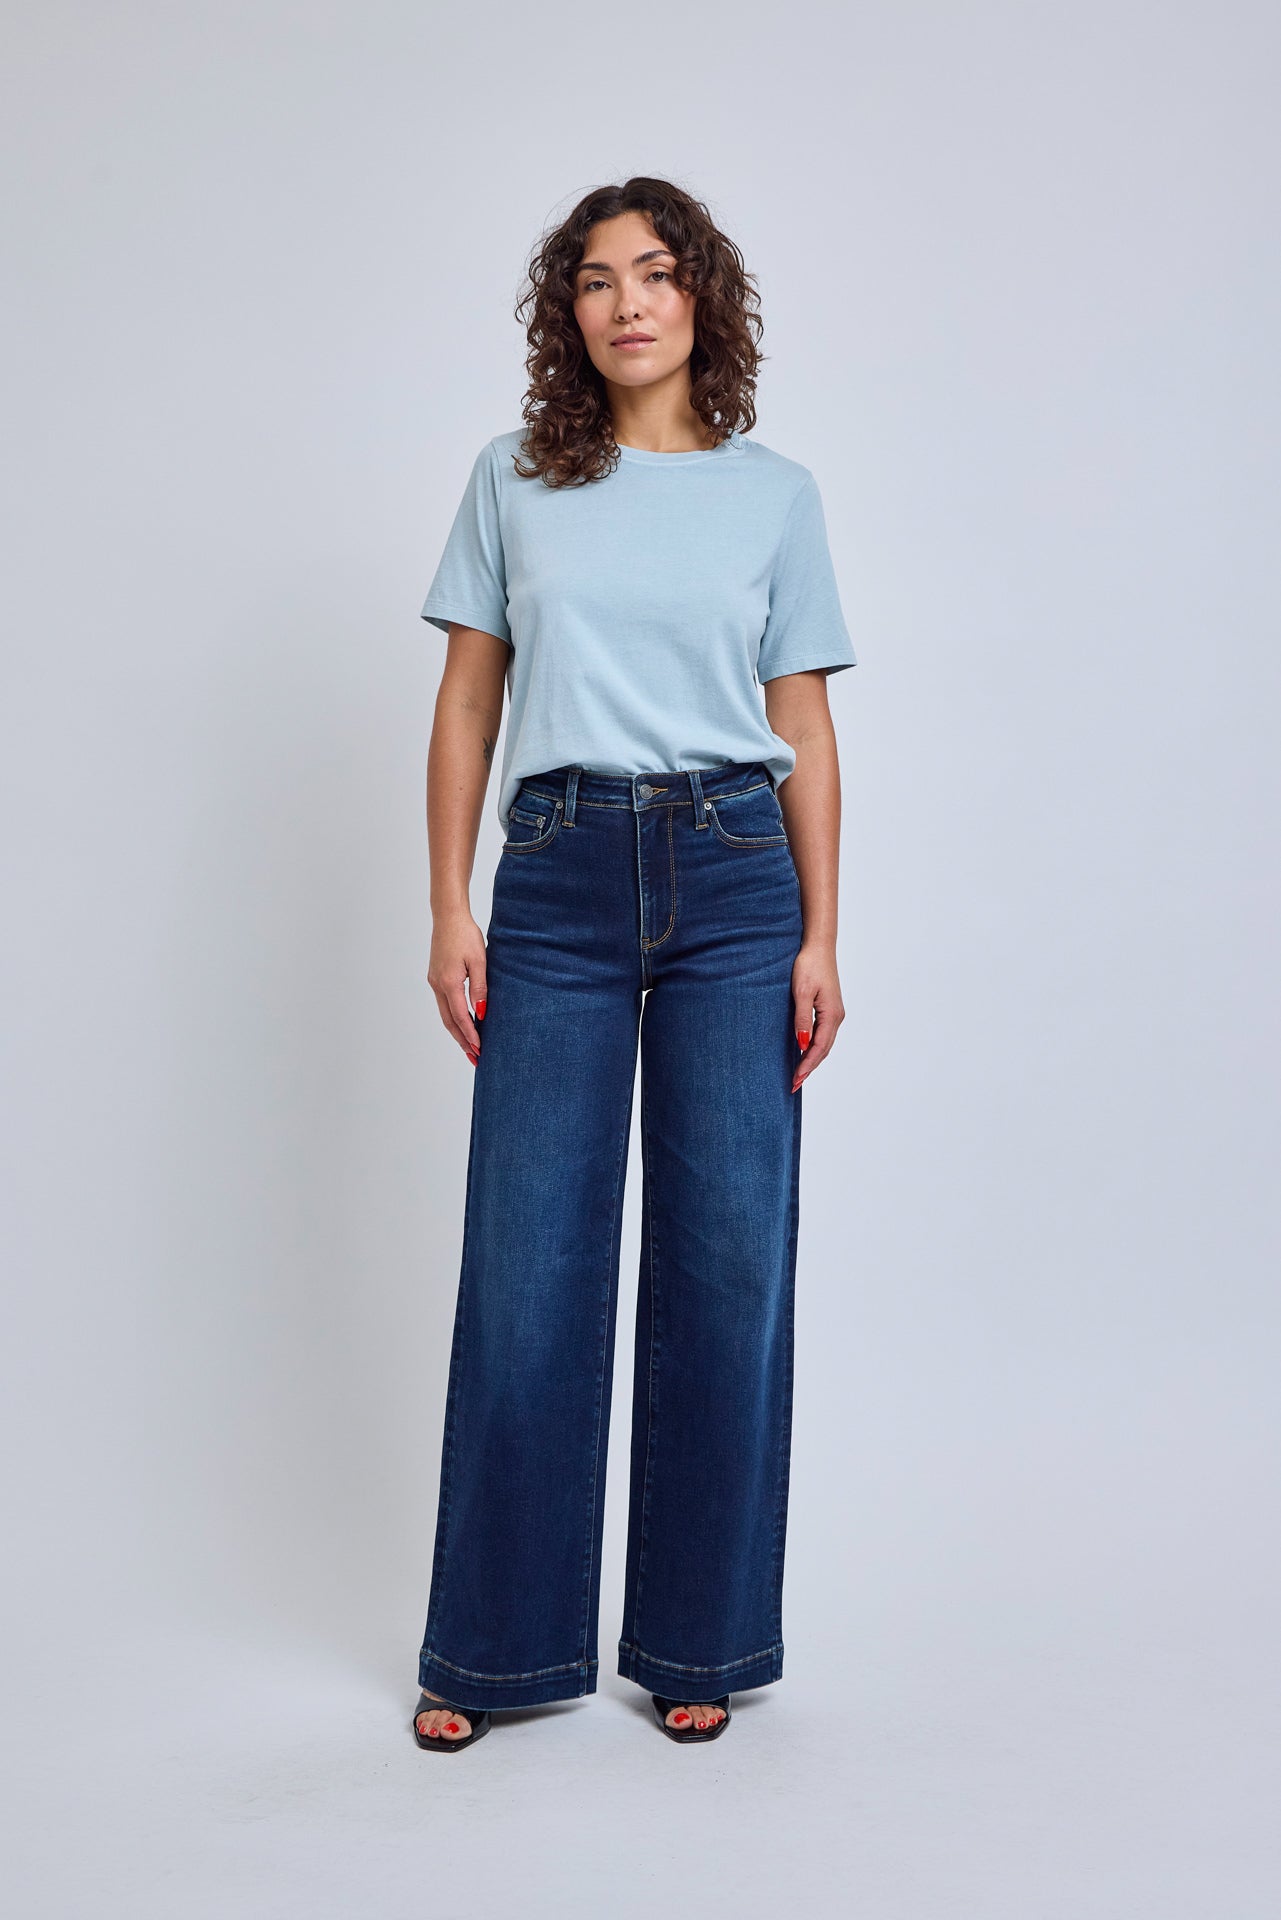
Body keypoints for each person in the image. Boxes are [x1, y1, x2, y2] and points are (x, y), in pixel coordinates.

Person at [412, 176, 856, 1753]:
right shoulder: (513, 481)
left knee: (728, 1263)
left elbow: (798, 722)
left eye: (654, 274)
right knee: (530, 1262)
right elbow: (469, 700)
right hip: (557, 876)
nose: (625, 303)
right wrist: (452, 908)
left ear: (699, 300)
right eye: (595, 281)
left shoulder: (773, 494)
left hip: (738, 879)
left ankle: (697, 1636)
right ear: (569, 316)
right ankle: (492, 1651)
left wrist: (818, 929)